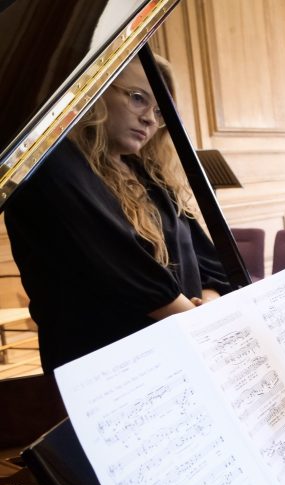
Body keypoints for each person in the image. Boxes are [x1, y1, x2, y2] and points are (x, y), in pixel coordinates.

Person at [4, 55, 231, 372]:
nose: (150, 119)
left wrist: (207, 304)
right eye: (138, 99)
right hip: (111, 368)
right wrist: (197, 321)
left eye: (158, 111)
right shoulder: (49, 166)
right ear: (95, 90)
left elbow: (212, 265)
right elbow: (125, 271)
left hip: (179, 350)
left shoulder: (150, 177)